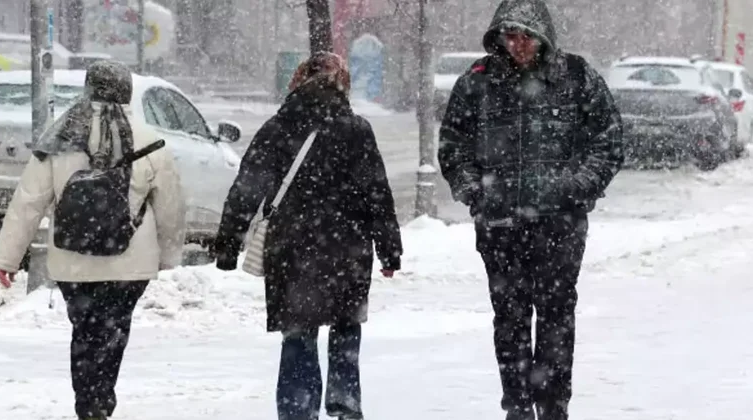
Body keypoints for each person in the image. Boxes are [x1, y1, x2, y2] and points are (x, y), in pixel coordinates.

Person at [437, 1, 624, 419]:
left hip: (560, 224)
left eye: (526, 35)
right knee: (510, 320)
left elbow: (608, 142)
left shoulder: (576, 77)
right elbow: (453, 146)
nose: (518, 44)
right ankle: (518, 407)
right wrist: (474, 192)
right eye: (510, 35)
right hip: (500, 225)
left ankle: (554, 407)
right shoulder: (477, 82)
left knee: (557, 317)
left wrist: (576, 187)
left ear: (542, 37)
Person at [0, 61, 186, 420]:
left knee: (85, 332)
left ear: (88, 89)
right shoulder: (149, 140)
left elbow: (28, 202)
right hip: (131, 262)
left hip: (72, 260)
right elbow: (170, 207)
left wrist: (6, 259)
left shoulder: (60, 137)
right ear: (126, 91)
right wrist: (169, 256)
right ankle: (100, 398)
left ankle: (89, 404)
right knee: (114, 331)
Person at [212, 51, 402, 420]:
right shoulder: (356, 129)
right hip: (346, 247)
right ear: (342, 84)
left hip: (292, 246)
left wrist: (228, 245)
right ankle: (345, 404)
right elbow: (377, 192)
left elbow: (246, 189)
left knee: (298, 331)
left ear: (297, 82)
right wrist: (389, 249)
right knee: (346, 326)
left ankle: (298, 409)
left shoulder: (278, 127)